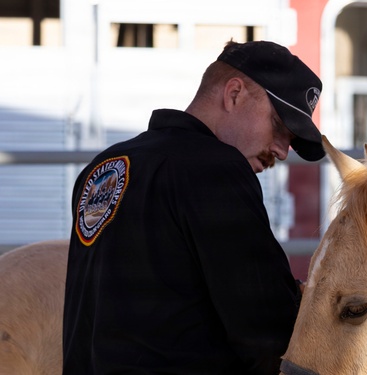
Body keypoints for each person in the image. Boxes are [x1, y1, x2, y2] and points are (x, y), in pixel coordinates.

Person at [62, 40, 325, 374]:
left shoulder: (105, 166)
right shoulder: (215, 168)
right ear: (234, 94)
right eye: (278, 125)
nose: (283, 150)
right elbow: (268, 330)